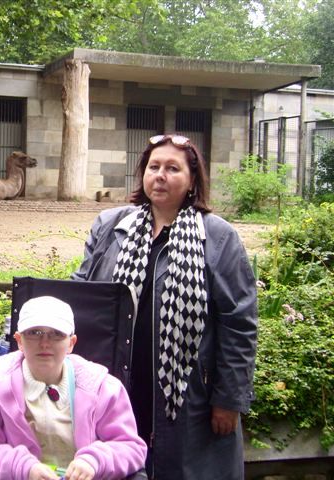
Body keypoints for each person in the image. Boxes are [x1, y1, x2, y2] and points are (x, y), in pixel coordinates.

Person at [72, 134, 258, 479]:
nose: (160, 175)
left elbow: (238, 323)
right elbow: (82, 294)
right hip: (117, 381)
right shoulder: (111, 227)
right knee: (119, 463)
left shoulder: (217, 237)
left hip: (187, 391)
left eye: (173, 168)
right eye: (153, 167)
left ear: (192, 180)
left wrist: (229, 399)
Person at [0, 295, 147, 480]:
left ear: (71, 343)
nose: (45, 343)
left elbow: (130, 447)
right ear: (19, 341)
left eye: (56, 334)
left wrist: (94, 462)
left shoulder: (102, 388)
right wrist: (23, 468)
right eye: (34, 333)